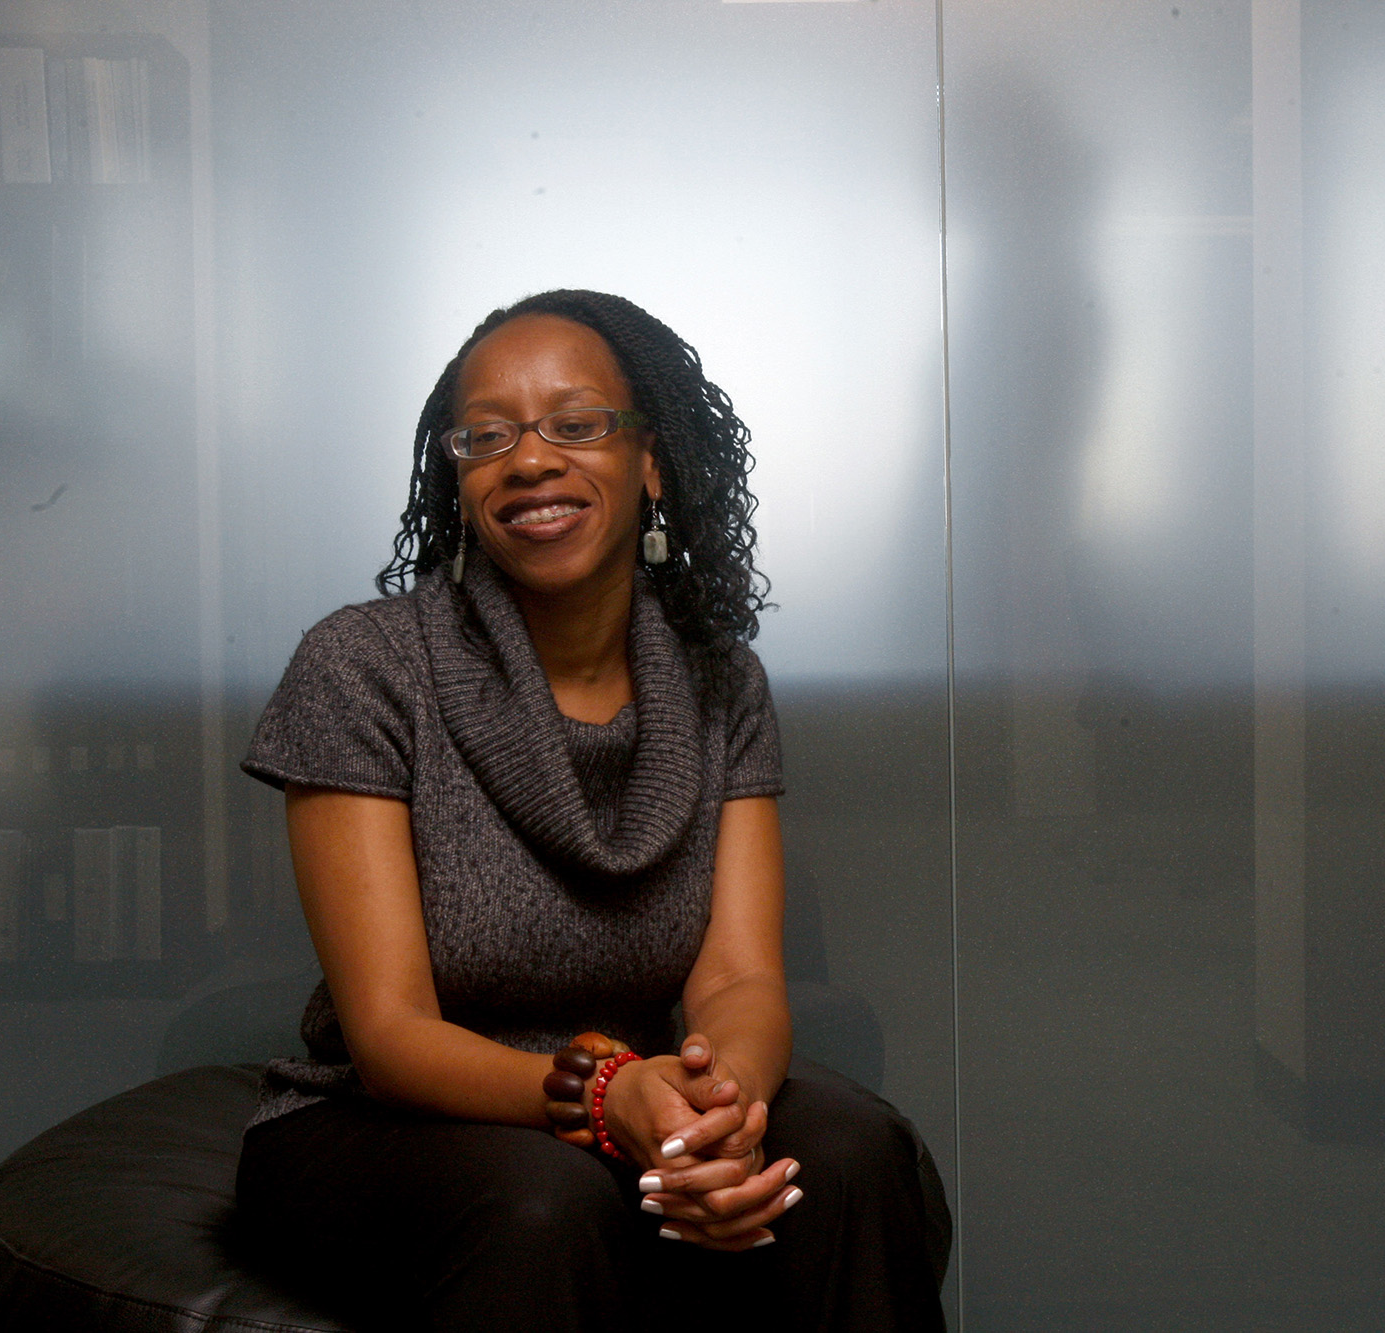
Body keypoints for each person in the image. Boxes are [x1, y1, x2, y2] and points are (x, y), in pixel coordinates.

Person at [232, 290, 950, 1332]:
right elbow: (388, 1032)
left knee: (849, 1159)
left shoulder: (720, 682)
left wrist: (723, 1112)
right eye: (488, 435)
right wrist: (608, 1096)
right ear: (458, 474)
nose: (529, 459)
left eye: (576, 424)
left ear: (650, 461)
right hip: (378, 1121)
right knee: (547, 1204)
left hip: (644, 1094)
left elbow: (740, 975)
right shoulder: (363, 665)